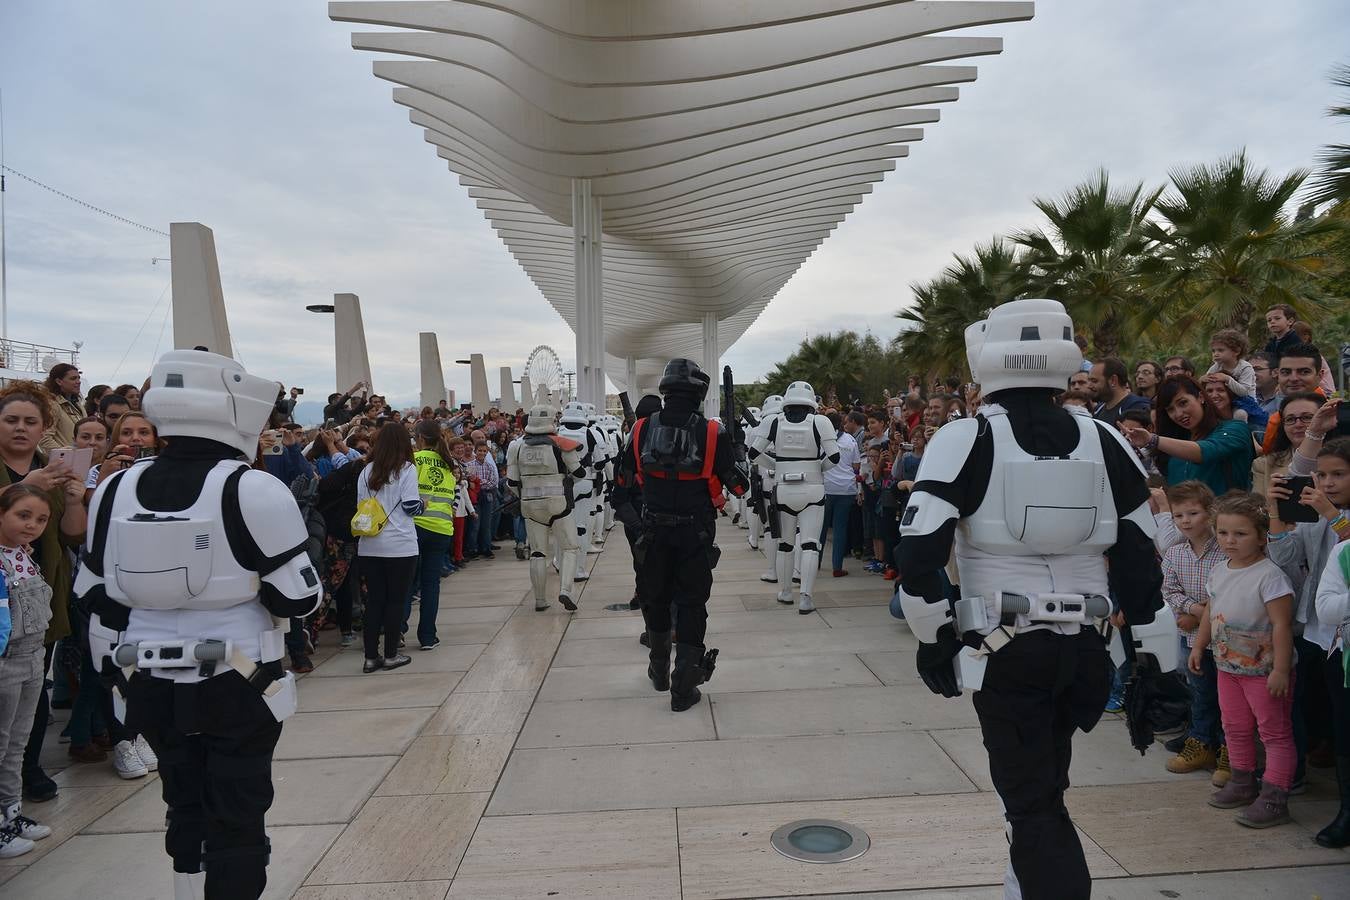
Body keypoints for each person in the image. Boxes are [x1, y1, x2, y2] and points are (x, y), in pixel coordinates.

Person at [897, 299, 1165, 900]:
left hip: (1006, 651)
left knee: (1033, 806)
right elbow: (1140, 559)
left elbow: (918, 558)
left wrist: (934, 638)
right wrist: (1154, 658)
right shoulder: (1105, 438)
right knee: (1040, 787)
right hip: (1089, 654)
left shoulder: (963, 437)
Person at [74, 350, 319, 900]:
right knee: (238, 811)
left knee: (181, 800)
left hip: (145, 680)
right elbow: (298, 595)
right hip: (240, 680)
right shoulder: (252, 488)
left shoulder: (114, 489)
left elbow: (93, 593)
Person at [612, 359, 747, 712]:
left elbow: (621, 489)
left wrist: (640, 525)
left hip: (652, 531)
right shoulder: (713, 433)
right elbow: (738, 486)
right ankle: (682, 689)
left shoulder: (640, 430)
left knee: (655, 600)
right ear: (699, 392)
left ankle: (658, 669)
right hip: (694, 533)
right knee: (691, 605)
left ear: (666, 390)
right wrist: (737, 454)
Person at [0, 383, 87, 805]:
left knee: (34, 695)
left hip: (40, 597)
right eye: (11, 420)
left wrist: (72, 500)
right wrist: (23, 487)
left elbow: (72, 535)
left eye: (29, 422)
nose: (20, 428)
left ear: (44, 428)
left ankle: (27, 771)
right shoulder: (36, 476)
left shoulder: (52, 470)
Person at [1191, 492, 1296, 828]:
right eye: (1223, 533)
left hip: (1264, 672)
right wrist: (1199, 645)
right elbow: (1210, 610)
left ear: (1262, 537)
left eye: (1240, 533)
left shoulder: (1270, 576)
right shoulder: (1220, 570)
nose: (1230, 541)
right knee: (1234, 727)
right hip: (1227, 667)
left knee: (1274, 732)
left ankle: (1275, 798)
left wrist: (1280, 669)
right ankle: (1241, 782)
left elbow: (1282, 624)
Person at [0, 485, 62, 858]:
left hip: (33, 658)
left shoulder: (25, 556)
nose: (32, 525)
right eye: (23, 515)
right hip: (6, 661)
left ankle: (11, 812)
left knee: (17, 744)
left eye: (40, 519)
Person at [1152, 482, 1227, 781]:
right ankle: (1201, 743)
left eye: (1193, 513)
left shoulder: (1225, 550)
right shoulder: (1175, 553)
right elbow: (1168, 591)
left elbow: (1229, 591)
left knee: (1227, 697)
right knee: (1200, 693)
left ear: (1210, 513)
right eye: (1178, 515)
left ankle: (1228, 751)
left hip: (1225, 639)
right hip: (1192, 638)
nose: (1185, 520)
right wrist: (1195, 611)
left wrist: (1199, 615)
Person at [749, 380, 840, 614]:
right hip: (812, 489)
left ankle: (786, 592)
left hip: (784, 489)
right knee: (810, 544)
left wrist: (778, 466)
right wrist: (817, 467)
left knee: (785, 544)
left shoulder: (772, 422)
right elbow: (835, 457)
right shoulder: (821, 422)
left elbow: (753, 453)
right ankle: (806, 597)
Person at [506, 399, 586, 612]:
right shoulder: (562, 443)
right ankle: (566, 590)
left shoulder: (516, 446)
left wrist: (525, 495)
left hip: (531, 507)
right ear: (552, 421)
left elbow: (512, 482)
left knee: (538, 553)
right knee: (569, 548)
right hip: (559, 504)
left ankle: (540, 600)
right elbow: (580, 474)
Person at [355, 422, 420, 674]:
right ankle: (391, 654)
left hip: (370, 544)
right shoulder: (406, 469)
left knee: (374, 601)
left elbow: (361, 504)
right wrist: (423, 505)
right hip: (400, 544)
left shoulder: (365, 471)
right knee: (396, 601)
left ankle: (371, 657)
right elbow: (410, 505)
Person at [1121, 376, 1253, 495]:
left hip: (1227, 519)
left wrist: (1152, 439)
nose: (1178, 414)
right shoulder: (1174, 444)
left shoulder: (1236, 429)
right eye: (1170, 409)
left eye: (1183, 403)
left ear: (1201, 397)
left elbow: (1205, 450)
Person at [404, 421, 457, 649]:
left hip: (416, 526)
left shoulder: (414, 461)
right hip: (442, 529)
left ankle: (398, 630)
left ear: (420, 438)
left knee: (406, 583)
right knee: (430, 585)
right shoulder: (448, 464)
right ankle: (427, 636)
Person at [1314, 519, 1350, 847]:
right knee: (1346, 735)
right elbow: (1325, 609)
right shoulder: (1343, 551)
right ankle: (1347, 812)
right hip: (1345, 663)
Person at [821, 411, 860, 578]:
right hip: (845, 489)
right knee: (840, 529)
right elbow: (856, 465)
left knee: (820, 529)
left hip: (825, 489)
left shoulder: (819, 441)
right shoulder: (850, 440)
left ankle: (814, 562)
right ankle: (837, 567)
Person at [1088, 357, 1151, 429]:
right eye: (1089, 381)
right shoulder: (1098, 410)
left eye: (1094, 381)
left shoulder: (1137, 408)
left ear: (1113, 380)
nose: (1089, 385)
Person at [40, 363, 83, 453]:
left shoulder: (78, 404)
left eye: (79, 378)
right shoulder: (52, 405)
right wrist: (66, 454)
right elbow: (44, 438)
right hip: (65, 462)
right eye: (73, 378)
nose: (78, 381)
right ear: (59, 381)